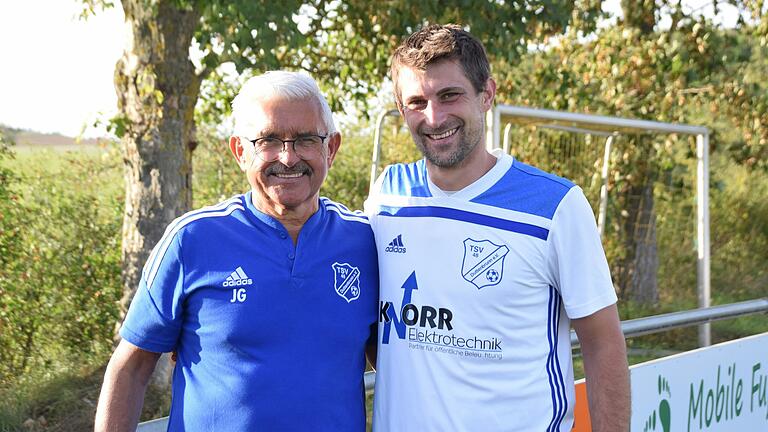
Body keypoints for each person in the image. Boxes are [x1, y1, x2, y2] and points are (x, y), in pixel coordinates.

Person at [365, 24, 630, 431]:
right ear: (401, 110)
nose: (434, 117)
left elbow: (603, 344)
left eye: (449, 95)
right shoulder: (388, 196)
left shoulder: (555, 206)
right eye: (417, 102)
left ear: (486, 94)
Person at [95, 71, 378, 431]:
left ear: (331, 148)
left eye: (306, 139)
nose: (288, 158)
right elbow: (131, 368)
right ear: (240, 151)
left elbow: (391, 361)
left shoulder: (366, 243)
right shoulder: (193, 239)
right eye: (268, 140)